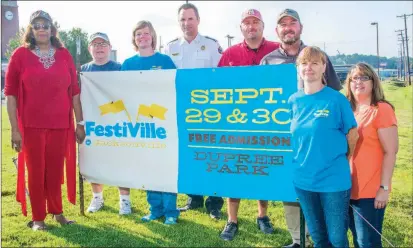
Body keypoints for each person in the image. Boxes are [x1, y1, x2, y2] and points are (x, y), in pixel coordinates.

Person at [260, 9, 341, 248]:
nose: (288, 28)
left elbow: (334, 94)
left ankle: (321, 239)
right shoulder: (268, 61)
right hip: (284, 138)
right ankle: (298, 239)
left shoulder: (317, 56)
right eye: (282, 24)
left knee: (321, 191)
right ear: (277, 31)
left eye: (292, 23)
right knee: (292, 189)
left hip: (318, 138)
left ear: (300, 27)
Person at [4, 10, 85, 231]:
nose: (41, 29)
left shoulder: (64, 54)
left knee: (56, 170)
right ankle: (38, 218)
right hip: (30, 126)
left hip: (61, 125)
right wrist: (14, 130)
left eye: (45, 25)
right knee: (37, 172)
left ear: (52, 29)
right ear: (31, 29)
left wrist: (80, 123)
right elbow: (10, 94)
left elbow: (75, 92)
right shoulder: (20, 55)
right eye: (37, 25)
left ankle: (58, 213)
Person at [217, 9, 280, 241]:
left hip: (267, 122)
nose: (251, 26)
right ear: (241, 28)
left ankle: (262, 215)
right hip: (237, 124)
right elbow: (218, 88)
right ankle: (232, 220)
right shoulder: (230, 54)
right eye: (247, 23)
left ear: (263, 26)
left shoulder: (277, 49)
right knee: (235, 170)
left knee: (262, 169)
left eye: (255, 22)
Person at [289, 46, 359, 248]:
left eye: (314, 63)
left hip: (333, 181)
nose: (308, 67)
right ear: (298, 68)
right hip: (303, 180)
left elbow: (353, 134)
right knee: (318, 236)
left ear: (323, 67)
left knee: (337, 238)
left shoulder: (336, 99)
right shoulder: (293, 100)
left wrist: (343, 157)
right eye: (303, 63)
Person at [164, 2, 224, 219]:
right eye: (182, 19)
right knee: (189, 155)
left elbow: (223, 76)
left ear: (198, 20)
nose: (186, 23)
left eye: (190, 18)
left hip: (208, 112)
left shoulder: (211, 45)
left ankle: (215, 201)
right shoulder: (170, 48)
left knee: (212, 155)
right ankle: (194, 197)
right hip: (182, 111)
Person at [121, 20, 179, 224]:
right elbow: (121, 92)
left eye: (146, 33)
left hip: (164, 123)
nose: (142, 37)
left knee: (165, 167)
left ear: (152, 36)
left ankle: (171, 211)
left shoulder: (165, 60)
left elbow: (175, 87)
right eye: (138, 34)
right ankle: (155, 209)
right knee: (148, 167)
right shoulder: (128, 64)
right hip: (141, 125)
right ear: (134, 38)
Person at [345, 63, 398, 248]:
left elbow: (390, 151)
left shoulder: (381, 109)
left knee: (367, 242)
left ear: (373, 82)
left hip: (370, 189)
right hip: (346, 186)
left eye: (364, 77)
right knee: (356, 239)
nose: (358, 82)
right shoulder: (349, 110)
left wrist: (384, 188)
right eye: (354, 78)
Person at [81, 32, 133, 215]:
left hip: (117, 124)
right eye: (95, 44)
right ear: (90, 49)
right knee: (95, 162)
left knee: (121, 162)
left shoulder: (120, 68)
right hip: (93, 126)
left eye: (103, 43)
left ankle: (125, 200)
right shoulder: (83, 71)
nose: (99, 47)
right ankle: (97, 198)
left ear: (110, 47)